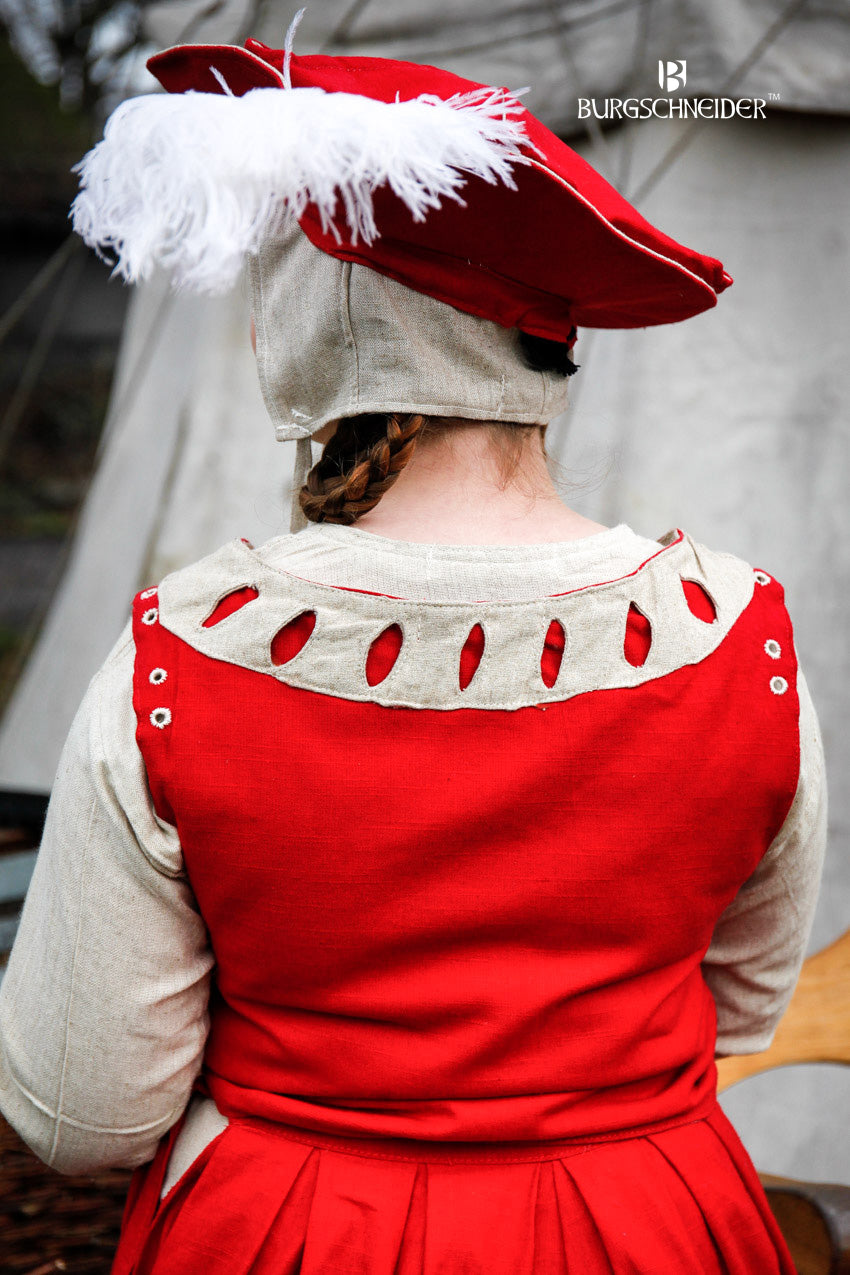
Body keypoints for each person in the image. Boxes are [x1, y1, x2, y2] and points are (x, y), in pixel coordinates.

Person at [0, 30, 827, 1275]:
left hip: (292, 1237)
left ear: (311, 323)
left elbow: (82, 1108)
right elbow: (746, 1000)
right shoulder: (741, 638)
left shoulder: (181, 656)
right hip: (650, 1228)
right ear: (544, 351)